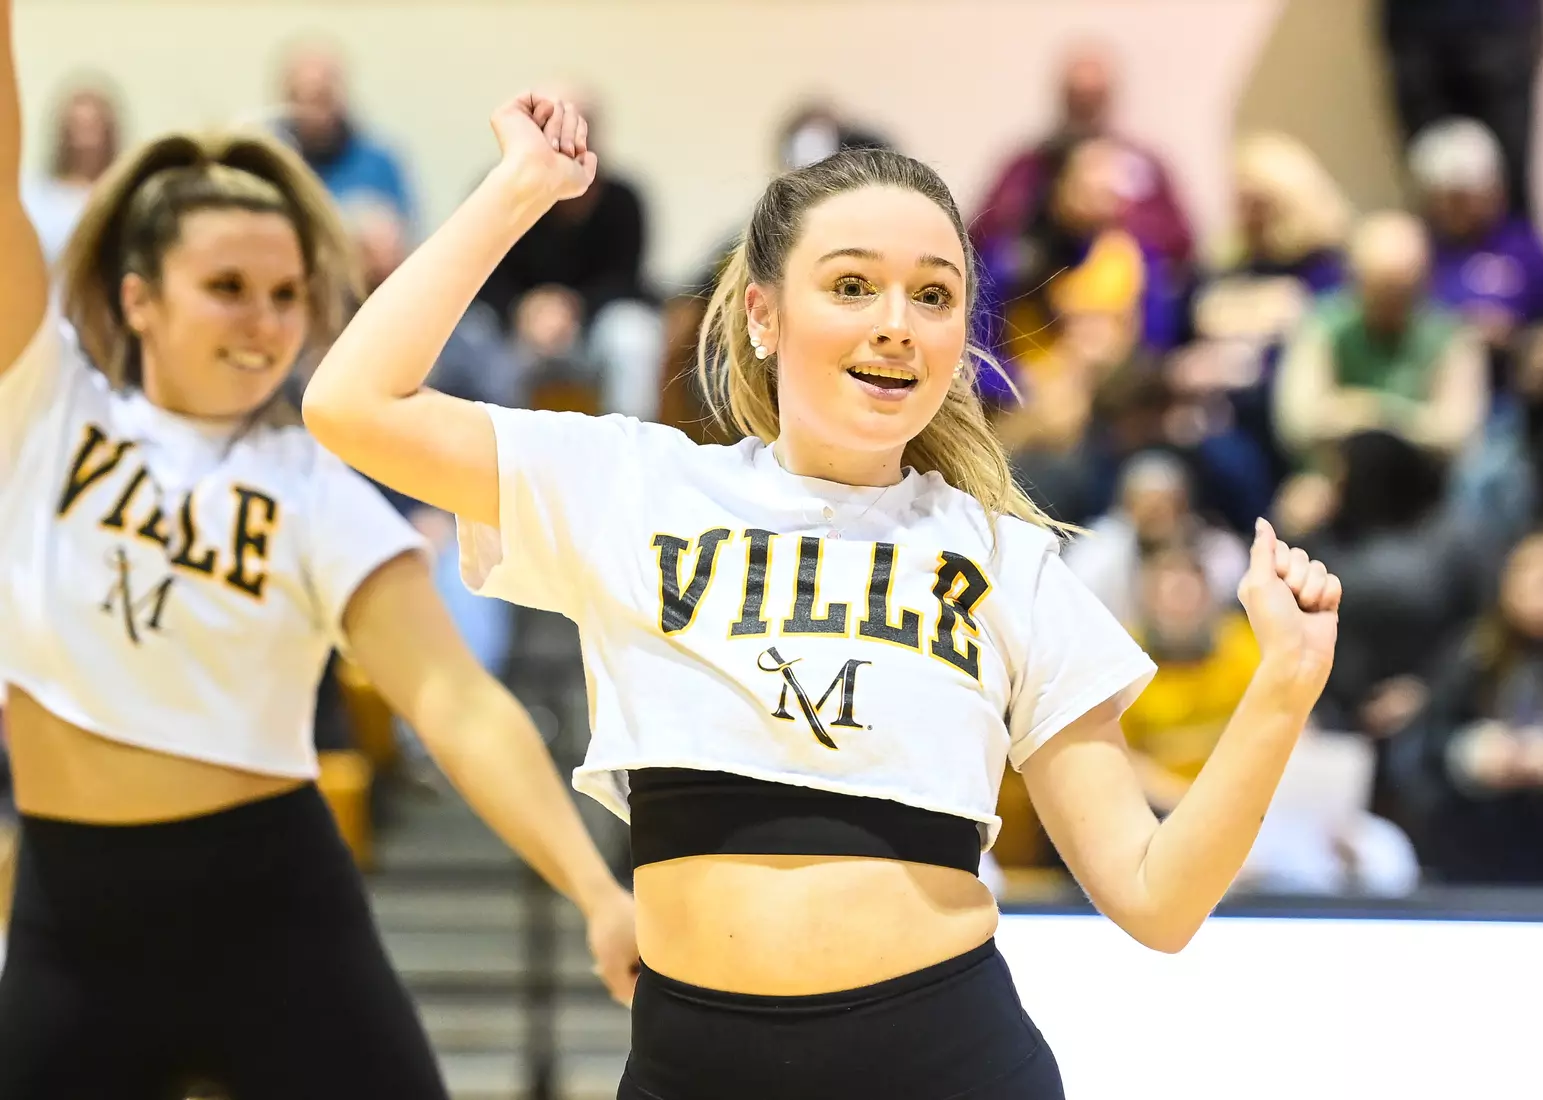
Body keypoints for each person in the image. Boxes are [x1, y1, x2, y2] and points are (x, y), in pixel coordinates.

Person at [303, 92, 1344, 1100]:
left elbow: (1157, 898)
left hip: (948, 1062)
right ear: (763, 312)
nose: (897, 323)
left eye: (932, 295)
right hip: (688, 1063)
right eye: (852, 285)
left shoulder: (1006, 557)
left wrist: (1284, 688)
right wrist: (519, 192)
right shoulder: (636, 485)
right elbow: (351, 402)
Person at [0, 8, 636, 1097]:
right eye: (230, 288)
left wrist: (595, 887)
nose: (267, 322)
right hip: (75, 911)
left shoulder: (314, 486)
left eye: (290, 294)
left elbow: (457, 701)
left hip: (276, 905)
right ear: (137, 297)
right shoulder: (44, 404)